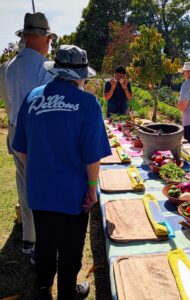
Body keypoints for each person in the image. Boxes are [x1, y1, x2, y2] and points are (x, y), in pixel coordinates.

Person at [13, 44, 112, 300]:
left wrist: (39, 172)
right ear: (81, 76)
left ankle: (43, 288)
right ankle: (68, 292)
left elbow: (22, 149)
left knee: (44, 241)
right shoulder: (88, 103)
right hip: (73, 193)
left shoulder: (32, 97)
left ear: (56, 70)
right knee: (70, 247)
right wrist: (92, 187)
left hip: (40, 190)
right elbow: (92, 156)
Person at [4, 12, 57, 255]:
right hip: (37, 134)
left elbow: (8, 103)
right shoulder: (44, 67)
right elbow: (50, 108)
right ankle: (42, 240)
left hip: (16, 132)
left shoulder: (8, 66)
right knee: (44, 187)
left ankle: (29, 238)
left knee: (24, 185)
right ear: (47, 39)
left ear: (25, 36)